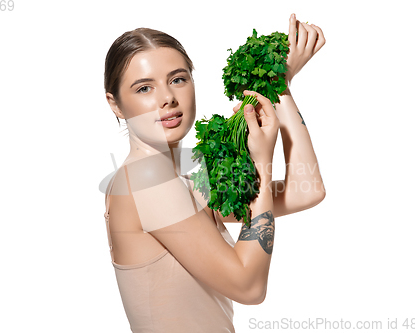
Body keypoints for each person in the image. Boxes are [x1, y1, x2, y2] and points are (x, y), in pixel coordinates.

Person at [103, 13, 326, 333]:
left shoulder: (181, 183)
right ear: (115, 104)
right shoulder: (145, 178)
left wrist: (277, 85)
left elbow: (306, 189)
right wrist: (260, 161)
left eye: (178, 79)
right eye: (144, 88)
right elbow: (248, 286)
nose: (167, 98)